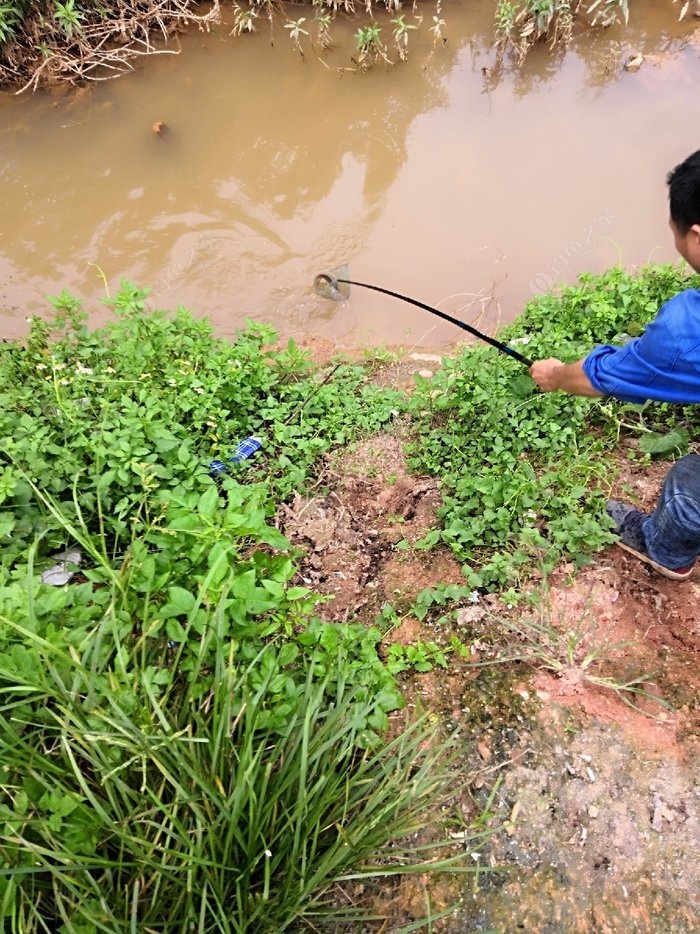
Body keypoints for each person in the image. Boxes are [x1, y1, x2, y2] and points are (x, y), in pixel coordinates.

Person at [530, 149, 700, 581]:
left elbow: (598, 377)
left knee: (689, 486)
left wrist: (553, 375)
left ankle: (665, 552)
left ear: (695, 236)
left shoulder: (686, 329)